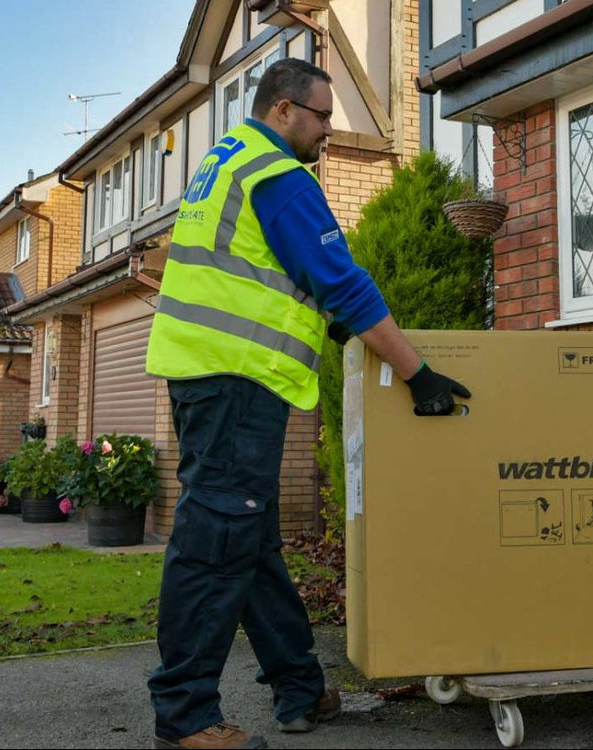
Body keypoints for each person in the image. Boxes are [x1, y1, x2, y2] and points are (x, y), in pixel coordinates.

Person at [144, 58, 471, 749]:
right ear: (285, 109)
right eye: (322, 116)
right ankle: (185, 718)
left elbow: (272, 278)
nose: (329, 131)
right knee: (216, 541)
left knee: (250, 541)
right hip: (236, 377)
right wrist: (418, 374)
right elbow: (341, 283)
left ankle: (299, 689)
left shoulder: (224, 161)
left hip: (207, 372)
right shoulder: (278, 175)